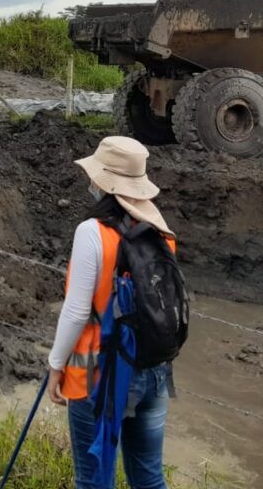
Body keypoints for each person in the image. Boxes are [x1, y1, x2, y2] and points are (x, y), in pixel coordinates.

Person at [48, 135, 176, 489]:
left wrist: (56, 365)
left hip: (96, 369)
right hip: (154, 368)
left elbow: (77, 311)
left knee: (93, 481)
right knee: (149, 478)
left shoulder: (92, 231)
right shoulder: (162, 233)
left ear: (102, 183)